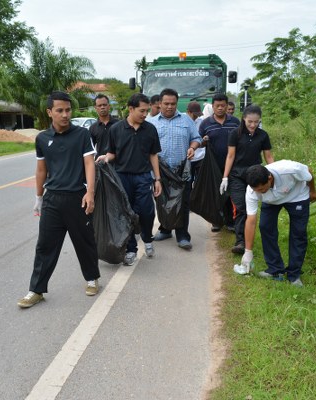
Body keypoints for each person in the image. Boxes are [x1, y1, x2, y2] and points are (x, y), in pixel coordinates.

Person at [18, 91, 101, 309]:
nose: (65, 115)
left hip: (77, 198)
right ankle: (36, 290)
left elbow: (89, 164)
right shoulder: (42, 139)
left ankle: (91, 278)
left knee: (84, 242)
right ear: (49, 112)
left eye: (68, 110)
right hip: (52, 199)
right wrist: (38, 197)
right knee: (45, 246)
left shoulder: (82, 135)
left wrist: (90, 192)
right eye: (60, 110)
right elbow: (41, 169)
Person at [96, 93, 162, 265]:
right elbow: (113, 153)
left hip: (142, 177)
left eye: (147, 111)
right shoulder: (116, 129)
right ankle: (131, 249)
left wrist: (157, 179)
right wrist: (106, 158)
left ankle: (147, 238)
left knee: (147, 211)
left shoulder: (150, 129)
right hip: (122, 178)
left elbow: (153, 155)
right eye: (142, 111)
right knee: (127, 214)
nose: (145, 114)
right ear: (131, 108)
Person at [234, 161, 316, 288]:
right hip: (272, 201)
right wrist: (248, 251)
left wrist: (312, 191)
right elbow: (251, 221)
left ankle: (294, 275)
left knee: (298, 233)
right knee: (265, 227)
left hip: (297, 196)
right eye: (256, 190)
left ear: (269, 178)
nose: (259, 192)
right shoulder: (252, 191)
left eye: (261, 189)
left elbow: (309, 173)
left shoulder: (290, 169)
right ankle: (275, 270)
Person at [150, 88, 202, 250]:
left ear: (177, 103)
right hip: (159, 171)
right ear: (160, 103)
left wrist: (193, 147)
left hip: (182, 171)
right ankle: (165, 229)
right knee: (162, 202)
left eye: (173, 104)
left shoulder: (187, 121)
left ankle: (182, 235)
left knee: (183, 204)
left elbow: (196, 138)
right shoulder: (151, 123)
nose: (170, 107)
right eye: (166, 103)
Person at [221, 105, 274, 254]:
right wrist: (225, 177)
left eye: (256, 122)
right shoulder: (235, 134)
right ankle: (240, 242)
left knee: (252, 209)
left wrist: (276, 173)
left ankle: (249, 238)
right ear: (244, 119)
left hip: (255, 176)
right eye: (250, 121)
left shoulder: (263, 135)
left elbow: (268, 156)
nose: (252, 125)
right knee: (241, 207)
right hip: (237, 176)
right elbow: (230, 156)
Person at [198, 93, 240, 232]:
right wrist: (203, 141)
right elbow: (199, 143)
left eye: (223, 105)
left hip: (233, 164)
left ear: (227, 106)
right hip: (213, 165)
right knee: (215, 193)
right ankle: (216, 221)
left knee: (230, 193)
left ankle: (230, 222)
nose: (220, 108)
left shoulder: (235, 122)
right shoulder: (205, 124)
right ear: (213, 106)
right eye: (217, 106)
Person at [185, 101, 205, 183]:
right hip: (187, 158)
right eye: (194, 115)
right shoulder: (182, 121)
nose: (196, 117)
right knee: (187, 181)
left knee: (200, 181)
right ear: (188, 112)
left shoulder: (201, 122)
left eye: (198, 115)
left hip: (200, 156)